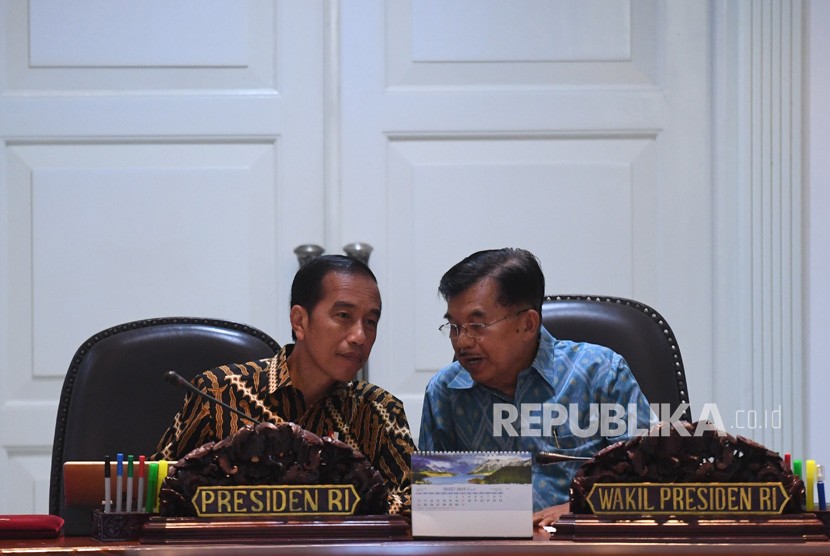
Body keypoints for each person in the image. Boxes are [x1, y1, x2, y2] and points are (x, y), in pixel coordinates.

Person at [154, 254, 414, 515]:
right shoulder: (219, 393)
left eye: (370, 322)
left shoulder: (380, 410)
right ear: (300, 321)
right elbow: (157, 491)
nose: (360, 336)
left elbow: (421, 503)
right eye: (344, 315)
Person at [418, 248, 654, 528]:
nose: (462, 342)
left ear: (528, 325)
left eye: (477, 325)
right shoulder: (445, 393)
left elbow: (649, 483)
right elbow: (435, 509)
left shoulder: (601, 374)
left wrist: (581, 508)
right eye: (454, 326)